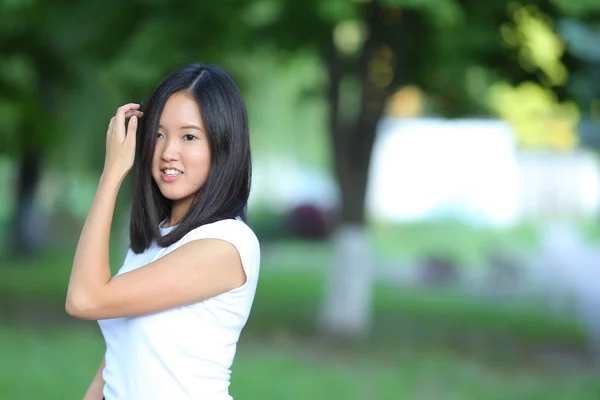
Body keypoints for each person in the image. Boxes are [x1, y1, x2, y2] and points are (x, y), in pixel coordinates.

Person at [65, 63, 260, 400]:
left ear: (223, 144)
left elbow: (85, 299)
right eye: (158, 134)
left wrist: (111, 175)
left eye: (189, 136)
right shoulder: (154, 242)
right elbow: (118, 357)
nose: (168, 152)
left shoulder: (227, 244)